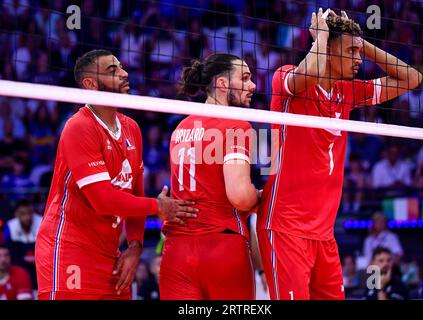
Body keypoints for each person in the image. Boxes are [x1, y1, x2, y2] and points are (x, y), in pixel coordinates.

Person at [257, 9, 422, 300]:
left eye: (359, 52)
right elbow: (306, 74)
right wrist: (319, 38)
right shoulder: (287, 80)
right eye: (351, 52)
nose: (359, 59)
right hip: (286, 228)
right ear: (328, 51)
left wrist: (361, 42)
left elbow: (412, 79)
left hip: (324, 233)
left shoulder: (347, 92)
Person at [35, 49, 198, 300]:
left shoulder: (132, 128)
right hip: (69, 251)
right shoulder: (79, 126)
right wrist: (159, 207)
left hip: (111, 254)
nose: (124, 73)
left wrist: (135, 246)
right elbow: (103, 200)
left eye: (121, 67)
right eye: (113, 71)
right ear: (90, 84)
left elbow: (135, 195)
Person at [160, 53, 260, 299]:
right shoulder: (237, 126)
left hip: (176, 253)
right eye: (245, 78)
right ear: (222, 84)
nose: (253, 85)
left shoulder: (180, 128)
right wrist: (260, 197)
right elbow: (239, 196)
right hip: (222, 248)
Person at [3, 199, 42, 290]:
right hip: (18, 263)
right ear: (16, 214)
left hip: (39, 262)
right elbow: (6, 251)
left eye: (29, 213)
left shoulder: (42, 222)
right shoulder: (10, 226)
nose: (27, 217)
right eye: (23, 214)